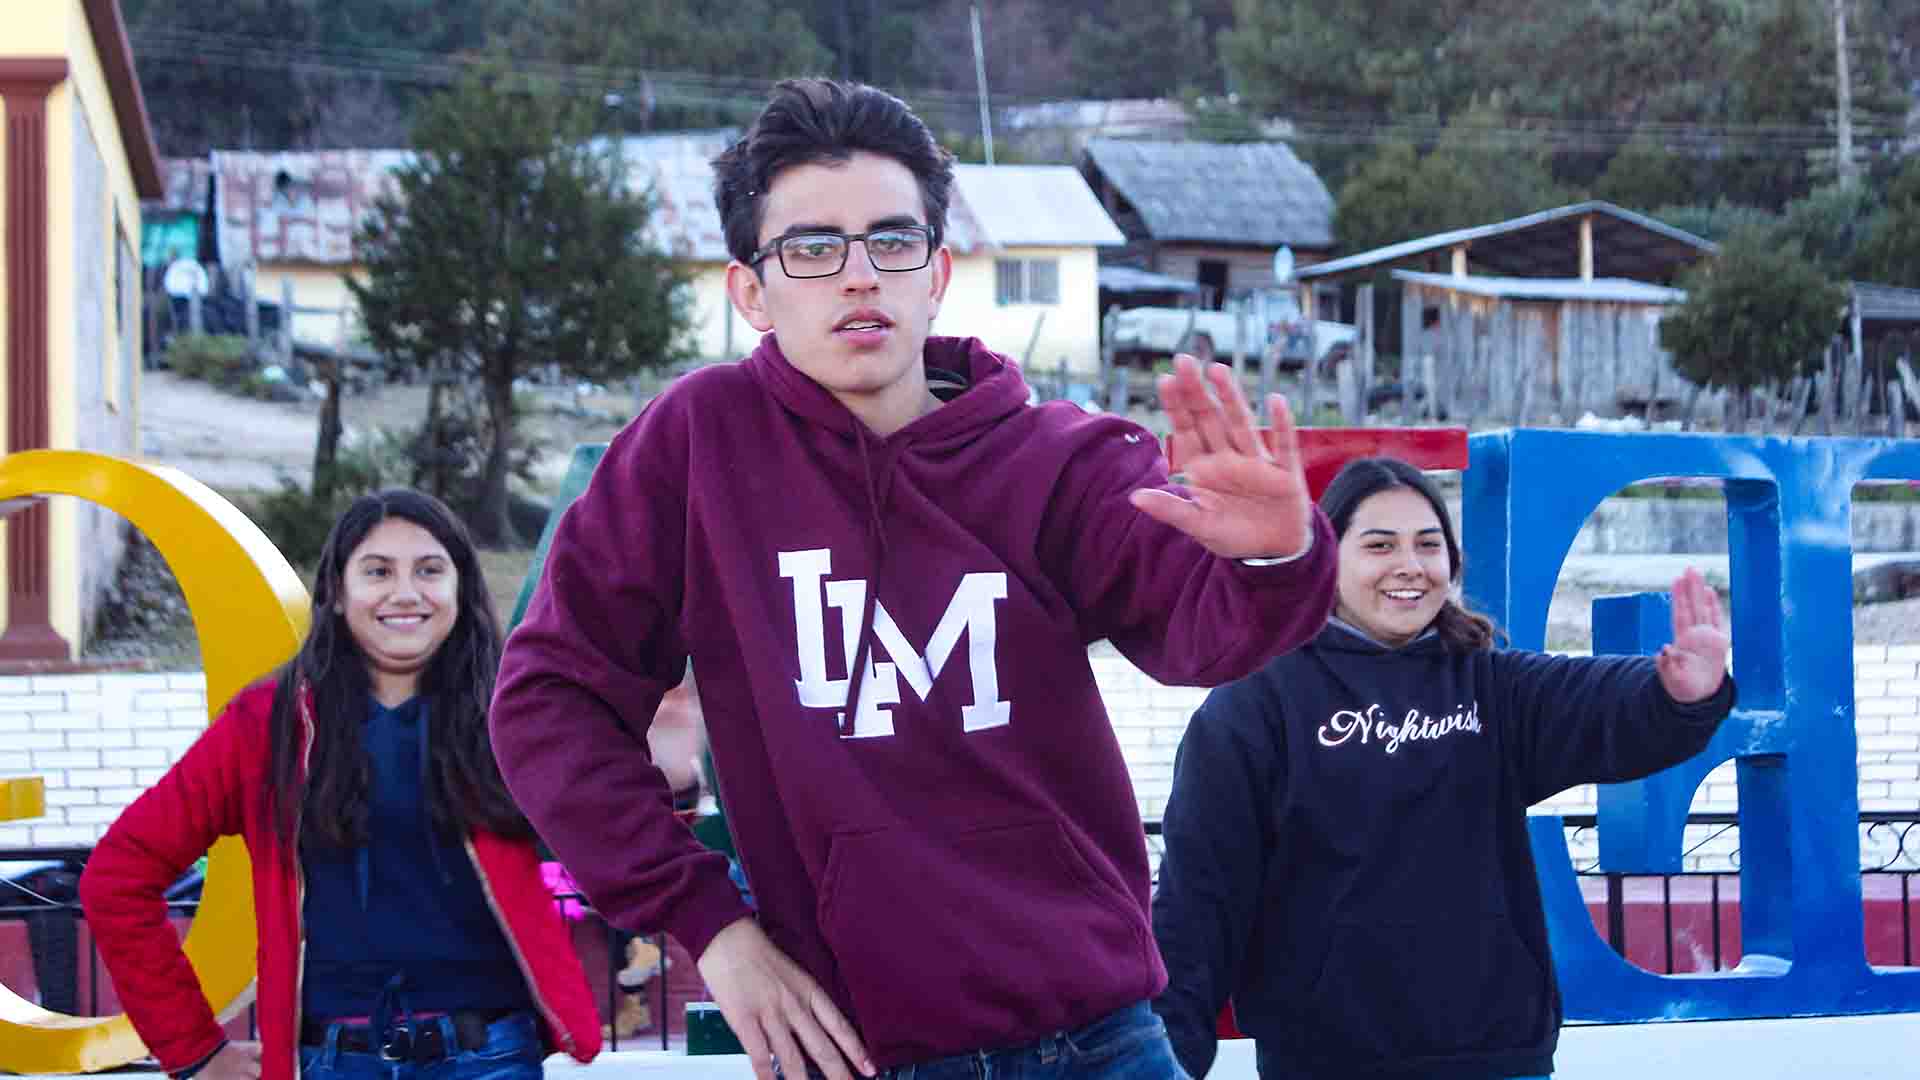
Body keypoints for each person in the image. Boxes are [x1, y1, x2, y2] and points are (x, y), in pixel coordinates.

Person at [489, 78, 1339, 1080]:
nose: (859, 278)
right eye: (813, 248)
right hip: (858, 1051)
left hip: (1096, 1035)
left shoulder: (1056, 458)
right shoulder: (696, 447)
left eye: (892, 242)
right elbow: (548, 702)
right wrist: (710, 925)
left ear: (936, 275)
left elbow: (1206, 632)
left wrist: (1273, 555)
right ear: (751, 290)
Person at [1150, 457, 1736, 1080]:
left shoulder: (1491, 685)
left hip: (1499, 1058)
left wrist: (1680, 696)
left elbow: (1601, 703)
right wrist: (1171, 1060)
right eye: (1379, 545)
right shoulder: (1256, 705)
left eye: (1428, 545)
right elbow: (1199, 905)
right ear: (1326, 559)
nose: (1409, 565)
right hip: (1326, 1062)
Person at [81, 490, 602, 1080]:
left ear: (461, 588)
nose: (406, 593)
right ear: (334, 592)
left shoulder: (514, 715)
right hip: (332, 1061)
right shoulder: (266, 723)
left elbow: (612, 829)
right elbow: (117, 876)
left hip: (491, 1055)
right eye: (378, 571)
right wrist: (194, 1051)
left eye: (430, 570)